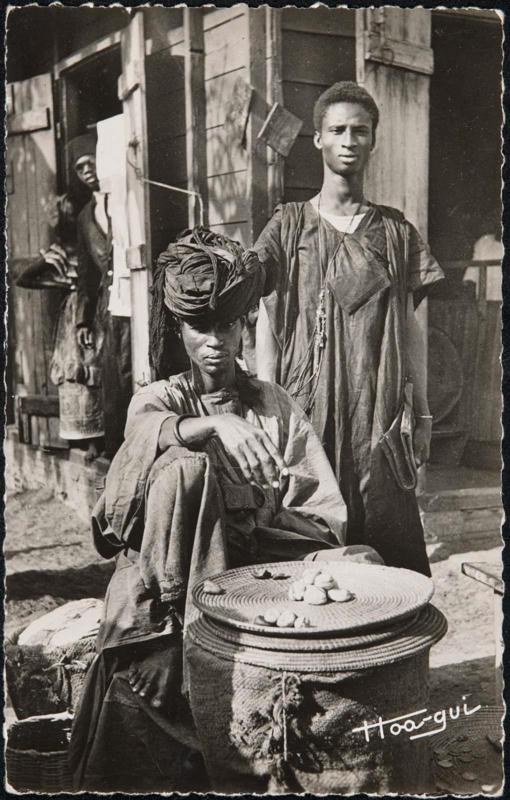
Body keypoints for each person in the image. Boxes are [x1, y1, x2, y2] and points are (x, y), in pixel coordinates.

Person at [69, 228, 381, 792]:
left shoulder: (274, 404)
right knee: (187, 469)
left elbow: (320, 512)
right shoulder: (159, 399)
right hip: (174, 584)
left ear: (245, 325)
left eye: (228, 325)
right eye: (200, 327)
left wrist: (275, 538)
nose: (215, 341)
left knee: (365, 564)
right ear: (179, 329)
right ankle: (186, 650)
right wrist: (211, 425)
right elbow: (143, 441)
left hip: (257, 571)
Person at [254, 82, 444, 576]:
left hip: (376, 415)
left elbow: (409, 328)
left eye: (360, 131)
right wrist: (268, 411)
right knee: (309, 550)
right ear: (318, 138)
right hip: (306, 412)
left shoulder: (397, 233)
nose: (349, 140)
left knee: (388, 552)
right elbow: (267, 321)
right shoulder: (288, 226)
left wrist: (423, 413)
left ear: (373, 140)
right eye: (337, 130)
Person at [15, 192, 104, 457]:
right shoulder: (60, 252)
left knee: (91, 370)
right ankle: (76, 439)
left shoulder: (92, 242)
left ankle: (96, 439)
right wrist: (48, 266)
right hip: (72, 316)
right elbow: (24, 279)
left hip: (91, 311)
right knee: (70, 373)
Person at [70, 133, 132, 459]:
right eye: (80, 168)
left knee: (136, 372)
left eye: (90, 162)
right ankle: (116, 452)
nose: (87, 171)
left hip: (134, 298)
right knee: (112, 379)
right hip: (108, 309)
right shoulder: (84, 216)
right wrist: (83, 319)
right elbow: (86, 273)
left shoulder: (125, 200)